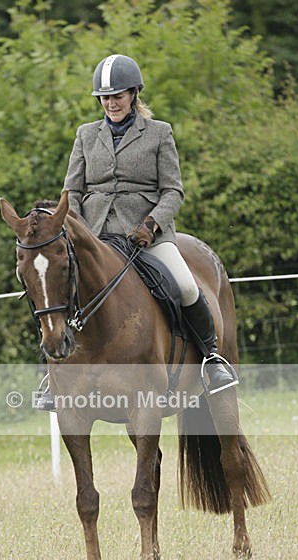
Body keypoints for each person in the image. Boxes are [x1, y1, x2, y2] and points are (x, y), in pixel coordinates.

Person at [62, 53, 238, 395]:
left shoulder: (159, 133)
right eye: (105, 97)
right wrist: (78, 231)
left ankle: (211, 360)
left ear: (134, 95)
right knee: (58, 290)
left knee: (187, 287)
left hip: (147, 235)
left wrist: (152, 223)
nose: (111, 103)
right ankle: (54, 375)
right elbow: (72, 190)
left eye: (118, 96)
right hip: (96, 235)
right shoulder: (85, 135)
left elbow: (173, 190)